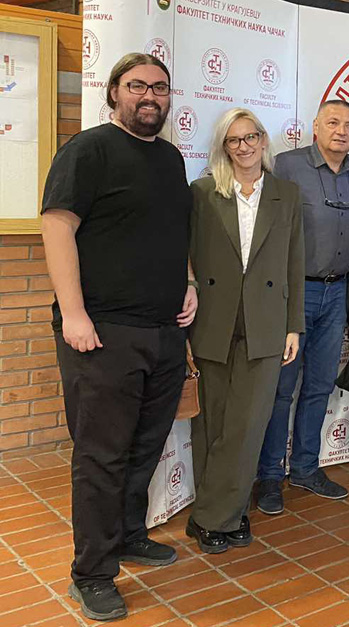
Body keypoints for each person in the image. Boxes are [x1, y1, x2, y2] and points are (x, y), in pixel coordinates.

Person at [40, 52, 197, 621]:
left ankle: (129, 534)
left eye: (159, 87)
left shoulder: (172, 160)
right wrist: (74, 313)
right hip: (100, 334)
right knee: (101, 456)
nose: (149, 96)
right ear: (114, 93)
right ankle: (92, 572)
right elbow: (57, 226)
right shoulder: (88, 150)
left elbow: (171, 232)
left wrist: (185, 283)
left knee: (144, 447)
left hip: (163, 332)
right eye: (137, 86)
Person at [186, 109, 304, 553]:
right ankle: (220, 515)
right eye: (234, 140)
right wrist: (190, 288)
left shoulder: (286, 194)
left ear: (263, 140)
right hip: (214, 320)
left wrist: (294, 326)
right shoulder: (202, 192)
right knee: (212, 424)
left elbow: (295, 261)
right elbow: (185, 255)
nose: (244, 146)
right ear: (224, 147)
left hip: (268, 322)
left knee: (249, 425)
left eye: (251, 136)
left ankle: (215, 516)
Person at [257, 100, 349, 513]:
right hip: (293, 292)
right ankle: (268, 476)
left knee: (319, 386)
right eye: (333, 122)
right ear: (314, 126)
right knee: (281, 390)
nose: (341, 131)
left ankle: (304, 467)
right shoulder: (286, 165)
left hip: (337, 292)